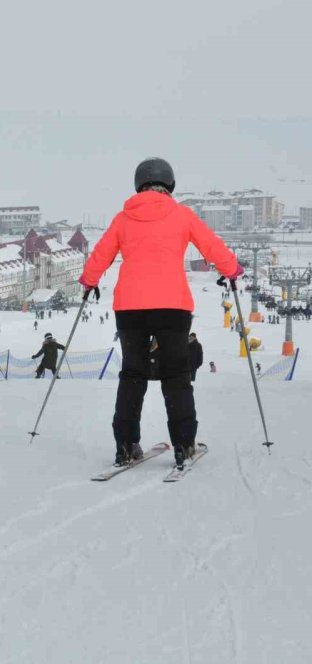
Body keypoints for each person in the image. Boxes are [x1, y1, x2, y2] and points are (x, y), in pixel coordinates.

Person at [78, 157, 242, 469]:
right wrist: (231, 269)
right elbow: (212, 246)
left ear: (139, 184)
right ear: (170, 184)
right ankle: (183, 444)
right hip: (172, 306)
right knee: (176, 375)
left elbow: (101, 255)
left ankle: (125, 445)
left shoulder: (123, 219)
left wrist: (89, 280)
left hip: (130, 308)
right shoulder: (182, 215)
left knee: (133, 374)